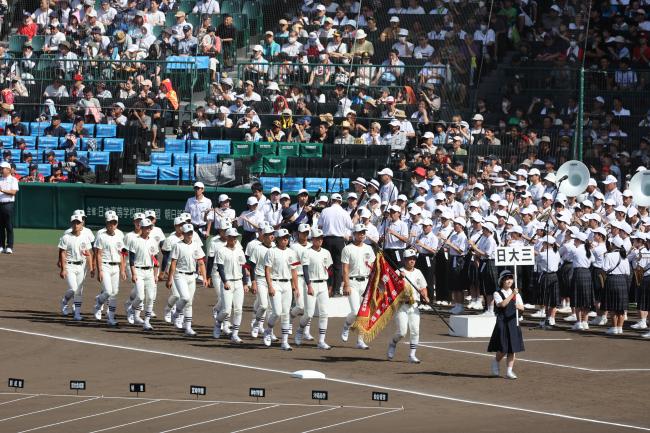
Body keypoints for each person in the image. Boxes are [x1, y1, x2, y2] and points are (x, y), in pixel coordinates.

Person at [387, 248, 430, 363]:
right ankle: (393, 343)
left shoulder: (418, 272)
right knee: (402, 332)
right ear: (404, 260)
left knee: (415, 330)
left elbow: (423, 287)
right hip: (401, 305)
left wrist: (425, 296)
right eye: (410, 259)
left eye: (414, 259)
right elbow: (391, 287)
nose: (412, 261)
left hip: (414, 305)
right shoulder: (398, 272)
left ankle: (412, 355)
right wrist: (399, 278)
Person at [295, 228, 333, 349]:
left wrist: (330, 285)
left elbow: (330, 270)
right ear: (313, 239)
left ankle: (321, 341)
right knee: (309, 313)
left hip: (323, 284)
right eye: (317, 238)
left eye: (321, 238)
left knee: (324, 313)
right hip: (311, 284)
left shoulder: (326, 252)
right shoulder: (307, 252)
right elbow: (305, 270)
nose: (320, 240)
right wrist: (309, 285)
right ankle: (300, 330)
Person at [263, 229, 300, 350]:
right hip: (275, 283)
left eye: (287, 237)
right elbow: (267, 270)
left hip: (287, 285)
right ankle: (268, 330)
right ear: (277, 239)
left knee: (285, 314)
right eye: (283, 237)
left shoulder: (291, 252)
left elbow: (294, 270)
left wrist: (296, 287)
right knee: (277, 312)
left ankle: (284, 342)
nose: (286, 239)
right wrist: (270, 286)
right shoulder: (271, 252)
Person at [167, 224, 207, 337]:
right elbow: (173, 263)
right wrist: (170, 278)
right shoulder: (177, 246)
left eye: (191, 233)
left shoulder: (196, 245)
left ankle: (188, 327)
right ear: (183, 234)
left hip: (191, 276)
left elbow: (201, 262)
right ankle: (176, 314)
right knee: (185, 297)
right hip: (180, 275)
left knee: (189, 303)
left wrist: (204, 277)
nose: (190, 235)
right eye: (188, 233)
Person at [341, 224, 376, 349]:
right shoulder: (347, 249)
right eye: (359, 232)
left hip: (366, 282)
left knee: (364, 312)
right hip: (353, 282)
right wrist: (346, 285)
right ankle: (346, 325)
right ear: (354, 234)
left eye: (363, 232)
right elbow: (345, 269)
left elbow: (373, 267)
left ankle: (360, 340)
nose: (361, 235)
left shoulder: (369, 248)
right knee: (356, 311)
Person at [211, 227, 249, 342]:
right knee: (226, 310)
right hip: (227, 282)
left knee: (238, 309)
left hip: (238, 282)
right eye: (231, 237)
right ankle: (218, 323)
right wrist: (225, 281)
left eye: (235, 237)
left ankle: (235, 334)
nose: (234, 239)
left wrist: (245, 283)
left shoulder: (239, 251)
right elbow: (220, 268)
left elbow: (243, 267)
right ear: (227, 237)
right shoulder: (221, 251)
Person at [488, 270, 525, 379]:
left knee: (512, 348)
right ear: (502, 281)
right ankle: (496, 361)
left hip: (514, 321)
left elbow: (522, 307)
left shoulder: (516, 293)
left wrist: (520, 307)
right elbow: (502, 304)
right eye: (507, 279)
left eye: (510, 278)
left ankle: (509, 371)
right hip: (503, 322)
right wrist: (512, 295)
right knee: (503, 347)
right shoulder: (497, 293)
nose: (509, 281)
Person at [58, 214, 95, 321]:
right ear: (71, 223)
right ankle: (64, 301)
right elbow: (63, 253)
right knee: (74, 289)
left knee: (79, 291)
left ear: (81, 223)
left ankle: (77, 313)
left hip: (82, 267)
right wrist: (63, 269)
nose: (76, 225)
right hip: (70, 266)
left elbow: (88, 253)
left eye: (78, 222)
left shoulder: (85, 237)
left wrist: (92, 268)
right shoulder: (66, 237)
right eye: (74, 222)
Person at [93, 211, 126, 326]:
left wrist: (122, 269)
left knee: (114, 292)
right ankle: (98, 302)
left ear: (116, 224)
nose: (112, 225)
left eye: (114, 223)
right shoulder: (101, 237)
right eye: (110, 223)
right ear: (106, 223)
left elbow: (122, 253)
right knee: (108, 291)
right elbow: (98, 254)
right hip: (105, 266)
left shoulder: (120, 235)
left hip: (116, 267)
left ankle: (110, 318)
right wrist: (100, 270)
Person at [128, 218, 160, 331]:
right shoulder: (135, 241)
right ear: (141, 228)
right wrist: (133, 273)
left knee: (151, 297)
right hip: (138, 271)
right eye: (146, 227)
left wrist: (156, 274)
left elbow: (155, 259)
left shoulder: (153, 242)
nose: (148, 229)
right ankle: (131, 309)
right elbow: (131, 259)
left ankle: (146, 322)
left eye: (149, 227)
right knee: (140, 296)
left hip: (150, 272)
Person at [319, 193, 354, 294]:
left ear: (331, 200)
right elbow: (351, 226)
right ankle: (336, 290)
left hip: (327, 240)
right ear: (340, 201)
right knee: (338, 266)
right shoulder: (344, 212)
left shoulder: (325, 211)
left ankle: (328, 288)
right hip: (339, 240)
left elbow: (320, 226)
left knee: (328, 265)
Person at [248, 225, 275, 339]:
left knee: (271, 308)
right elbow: (251, 266)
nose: (271, 237)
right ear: (264, 236)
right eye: (269, 235)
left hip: (273, 280)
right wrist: (253, 282)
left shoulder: (275, 248)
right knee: (263, 305)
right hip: (260, 279)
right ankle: (256, 324)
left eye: (272, 234)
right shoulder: (257, 248)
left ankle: (270, 332)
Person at [602, 237, 630, 335]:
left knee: (613, 306)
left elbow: (604, 269)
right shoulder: (625, 257)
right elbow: (627, 272)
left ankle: (614, 328)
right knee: (621, 307)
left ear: (613, 245)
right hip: (623, 281)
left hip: (612, 280)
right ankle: (620, 328)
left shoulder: (609, 255)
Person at [535, 235, 561, 327]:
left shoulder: (543, 254)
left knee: (546, 298)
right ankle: (552, 318)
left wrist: (539, 252)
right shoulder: (556, 253)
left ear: (546, 244)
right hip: (554, 276)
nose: (542, 244)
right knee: (553, 298)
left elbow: (537, 260)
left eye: (543, 243)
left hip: (546, 276)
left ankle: (547, 318)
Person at [0, 161, 18, 254]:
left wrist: (2, 190)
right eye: (1, 168)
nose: (1, 170)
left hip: (8, 205)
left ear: (8, 169)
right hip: (0, 204)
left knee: (8, 226)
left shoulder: (13, 180)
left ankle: (9, 246)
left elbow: (13, 192)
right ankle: (1, 246)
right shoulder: (0, 179)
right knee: (0, 227)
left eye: (3, 168)